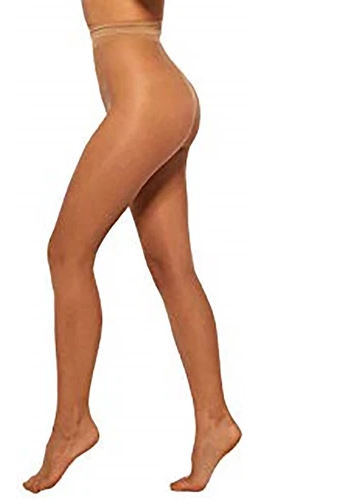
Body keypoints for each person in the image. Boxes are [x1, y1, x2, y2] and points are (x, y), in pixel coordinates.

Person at [23, 0, 241, 494]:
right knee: (171, 266)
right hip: (156, 93)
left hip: (148, 100)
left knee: (67, 254)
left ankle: (72, 424)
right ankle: (215, 420)